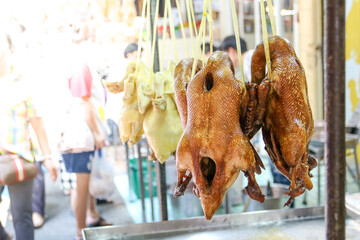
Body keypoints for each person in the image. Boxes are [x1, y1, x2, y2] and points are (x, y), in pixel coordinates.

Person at [0, 32, 57, 240]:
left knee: (21, 216)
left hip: (19, 159)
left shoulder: (22, 84)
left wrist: (49, 158)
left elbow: (38, 124)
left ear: (10, 51)